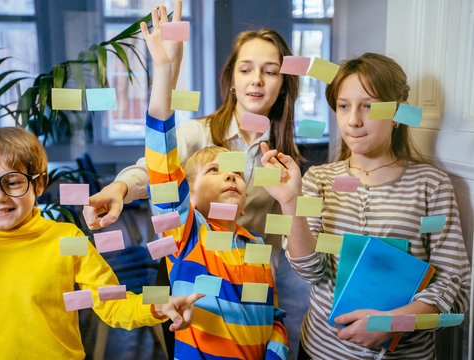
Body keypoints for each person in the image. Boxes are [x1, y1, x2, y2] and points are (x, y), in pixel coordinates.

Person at [261, 53, 470, 359]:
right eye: (343, 106)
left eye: (368, 106)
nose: (354, 120)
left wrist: (392, 323)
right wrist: (290, 202)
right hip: (321, 351)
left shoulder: (431, 184)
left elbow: (454, 283)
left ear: (397, 112)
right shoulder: (319, 179)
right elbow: (310, 270)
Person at [0, 126, 203, 359]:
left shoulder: (67, 239)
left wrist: (158, 305)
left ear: (39, 185)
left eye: (12, 183)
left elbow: (112, 302)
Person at [82, 0, 302, 274]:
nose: (256, 79)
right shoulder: (200, 133)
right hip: (189, 278)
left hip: (246, 286)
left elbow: (274, 235)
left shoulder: (283, 158)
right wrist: (118, 189)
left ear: (282, 85)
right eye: (245, 69)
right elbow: (153, 168)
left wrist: (264, 293)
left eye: (270, 72)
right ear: (232, 80)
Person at [137, 6, 290, 359]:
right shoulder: (186, 234)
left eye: (234, 171)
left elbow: (275, 315)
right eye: (214, 171)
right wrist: (164, 71)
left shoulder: (256, 249)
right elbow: (159, 162)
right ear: (187, 195)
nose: (230, 175)